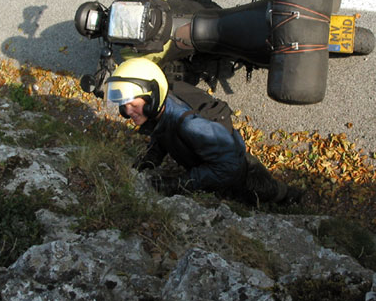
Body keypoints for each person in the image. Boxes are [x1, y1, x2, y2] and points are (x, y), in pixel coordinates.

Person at [105, 57, 301, 205]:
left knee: (269, 196)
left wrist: (178, 184)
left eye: (132, 104)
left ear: (153, 97)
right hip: (216, 159)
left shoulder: (190, 124)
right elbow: (163, 133)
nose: (127, 112)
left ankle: (294, 199)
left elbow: (228, 169)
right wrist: (148, 161)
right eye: (123, 106)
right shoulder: (161, 108)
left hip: (240, 174)